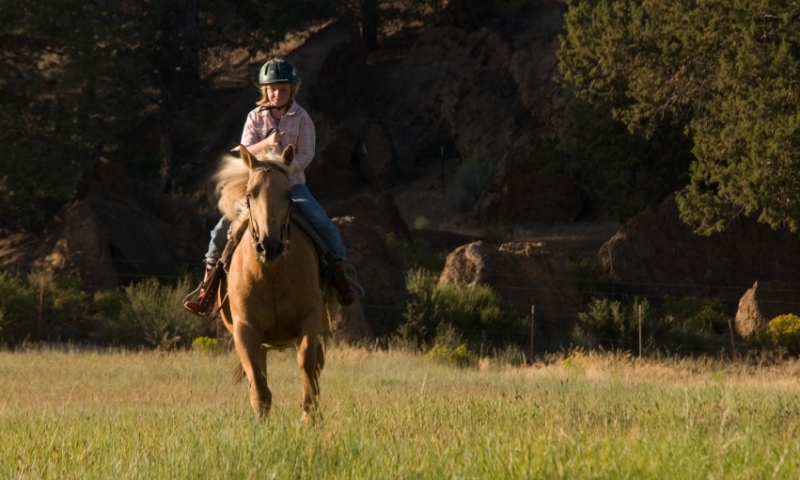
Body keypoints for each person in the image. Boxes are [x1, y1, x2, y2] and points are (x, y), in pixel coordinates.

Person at [184, 58, 364, 315]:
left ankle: (341, 280)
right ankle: (207, 289)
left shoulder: (302, 118)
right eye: (271, 88)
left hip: (292, 186)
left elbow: (306, 155)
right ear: (264, 90)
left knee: (322, 223)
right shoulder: (254, 117)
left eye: (282, 88)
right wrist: (268, 142)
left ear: (293, 89)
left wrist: (281, 172)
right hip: (256, 189)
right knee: (220, 230)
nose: (276, 93)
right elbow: (243, 151)